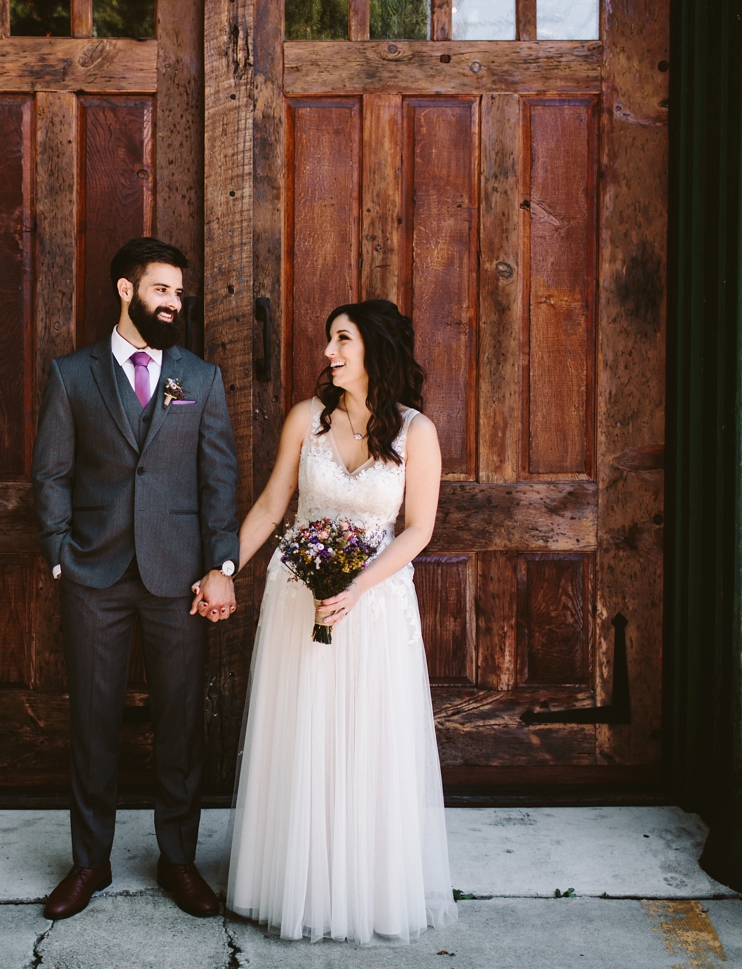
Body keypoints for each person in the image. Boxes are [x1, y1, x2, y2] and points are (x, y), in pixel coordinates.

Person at [219, 299, 457, 943]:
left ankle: (363, 885)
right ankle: (293, 879)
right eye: (329, 339)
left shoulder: (417, 432)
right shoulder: (306, 419)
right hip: (301, 600)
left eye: (341, 340)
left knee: (367, 740)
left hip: (374, 607)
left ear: (373, 350)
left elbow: (419, 530)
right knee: (304, 733)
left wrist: (356, 586)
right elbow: (272, 508)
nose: (328, 351)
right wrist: (225, 568)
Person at [32, 237, 240, 920]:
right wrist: (61, 552)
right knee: (92, 725)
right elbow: (52, 473)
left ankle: (177, 860)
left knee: (180, 726)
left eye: (179, 294)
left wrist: (221, 564)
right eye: (161, 291)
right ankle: (89, 864)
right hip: (94, 575)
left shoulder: (200, 379)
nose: (174, 304)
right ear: (127, 291)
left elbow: (218, 481)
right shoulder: (72, 375)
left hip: (178, 578)